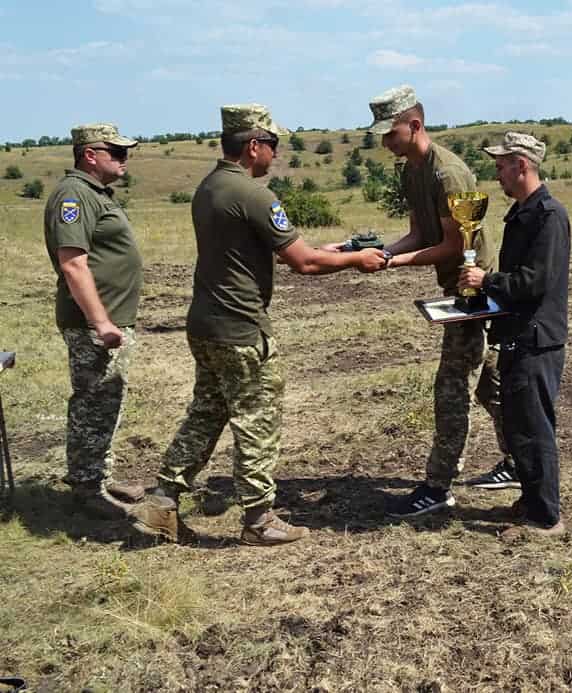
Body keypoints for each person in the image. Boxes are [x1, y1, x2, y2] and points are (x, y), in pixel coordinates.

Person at [129, 104, 385, 545]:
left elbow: (260, 249)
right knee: (257, 419)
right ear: (253, 145)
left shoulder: (210, 187)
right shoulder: (253, 194)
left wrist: (324, 250)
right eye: (273, 145)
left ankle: (162, 501)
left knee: (206, 414)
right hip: (241, 329)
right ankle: (259, 520)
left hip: (205, 323)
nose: (276, 155)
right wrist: (356, 260)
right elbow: (302, 263)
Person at [364, 85, 512, 518]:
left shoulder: (448, 172)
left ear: (415, 125)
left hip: (474, 291)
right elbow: (418, 233)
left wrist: (393, 264)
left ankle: (438, 485)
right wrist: (386, 252)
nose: (385, 142)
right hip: (455, 289)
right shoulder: (412, 170)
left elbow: (452, 246)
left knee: (451, 388)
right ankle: (519, 459)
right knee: (489, 385)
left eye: (390, 133)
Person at [459, 132, 570, 538]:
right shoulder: (524, 212)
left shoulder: (549, 216)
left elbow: (535, 282)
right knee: (521, 425)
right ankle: (532, 498)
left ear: (522, 165)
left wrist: (485, 281)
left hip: (536, 340)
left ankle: (545, 518)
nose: (498, 174)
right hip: (519, 335)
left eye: (502, 165)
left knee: (534, 427)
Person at [43, 123, 146, 518]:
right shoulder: (74, 195)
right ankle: (87, 488)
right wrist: (100, 321)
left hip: (108, 319)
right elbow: (73, 263)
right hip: (94, 324)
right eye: (116, 152)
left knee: (107, 400)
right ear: (90, 155)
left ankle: (98, 476)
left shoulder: (92, 193)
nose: (124, 159)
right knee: (93, 402)